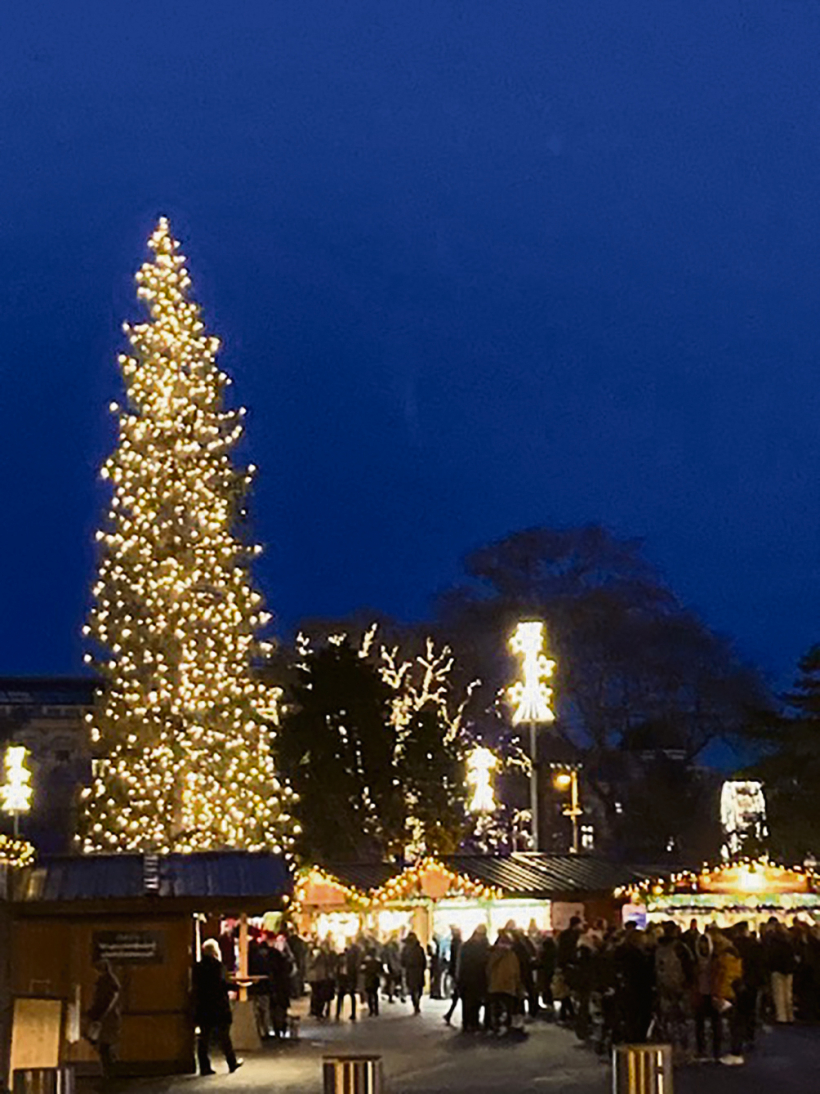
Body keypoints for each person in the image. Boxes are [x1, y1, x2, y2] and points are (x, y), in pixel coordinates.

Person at [193, 938, 242, 1076]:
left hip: (203, 1006)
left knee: (204, 1038)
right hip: (219, 1005)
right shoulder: (218, 966)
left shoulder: (197, 967)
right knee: (224, 1036)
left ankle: (204, 1066)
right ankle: (231, 1062)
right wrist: (237, 986)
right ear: (215, 951)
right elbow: (223, 984)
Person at [86, 958, 121, 1082]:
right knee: (104, 1046)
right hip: (106, 1018)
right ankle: (109, 1072)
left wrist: (97, 1015)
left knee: (105, 1046)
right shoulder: (109, 981)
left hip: (105, 1019)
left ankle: (109, 1072)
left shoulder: (107, 982)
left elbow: (107, 1001)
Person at [487, 929, 523, 1035]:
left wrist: (490, 979)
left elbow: (488, 968)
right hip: (508, 985)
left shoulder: (494, 954)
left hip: (495, 984)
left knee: (496, 1006)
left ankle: (496, 1025)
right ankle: (507, 1025)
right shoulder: (512, 955)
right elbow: (516, 970)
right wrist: (517, 983)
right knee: (509, 1006)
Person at [457, 924, 490, 1032]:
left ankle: (469, 1022)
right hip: (475, 978)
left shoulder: (467, 946)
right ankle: (471, 1022)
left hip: (470, 978)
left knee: (470, 1002)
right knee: (472, 1001)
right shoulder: (483, 946)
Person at [766, 920, 797, 1024]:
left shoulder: (773, 942)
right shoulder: (790, 941)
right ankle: (790, 1016)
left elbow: (771, 956)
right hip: (789, 970)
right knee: (788, 994)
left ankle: (781, 1017)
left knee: (779, 994)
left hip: (777, 969)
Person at [401, 932, 427, 1014]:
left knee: (413, 989)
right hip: (418, 971)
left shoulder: (406, 949)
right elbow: (424, 961)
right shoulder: (419, 948)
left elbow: (402, 961)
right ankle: (417, 1003)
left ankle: (416, 1004)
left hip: (411, 971)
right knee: (418, 988)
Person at [336, 937, 362, 1021]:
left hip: (348, 977)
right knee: (343, 995)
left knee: (349, 995)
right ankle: (338, 1013)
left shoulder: (352, 959)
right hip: (345, 977)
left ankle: (350, 1013)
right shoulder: (347, 958)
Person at [443, 926, 463, 1025]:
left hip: (456, 972)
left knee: (457, 994)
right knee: (458, 994)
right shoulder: (458, 944)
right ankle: (449, 1014)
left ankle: (449, 1014)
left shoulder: (455, 943)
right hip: (458, 972)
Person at [363, 946, 384, 1016]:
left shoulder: (366, 962)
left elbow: (362, 970)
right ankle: (376, 1010)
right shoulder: (378, 962)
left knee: (369, 994)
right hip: (375, 979)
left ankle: (371, 1010)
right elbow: (381, 971)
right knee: (375, 994)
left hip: (368, 979)